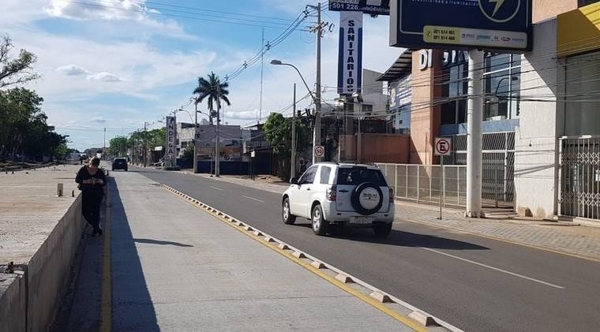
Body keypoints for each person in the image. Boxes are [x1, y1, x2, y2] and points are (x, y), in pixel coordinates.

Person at [75, 157, 106, 236]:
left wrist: (99, 181)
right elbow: (77, 180)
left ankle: (95, 230)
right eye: (92, 165)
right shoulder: (83, 170)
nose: (93, 167)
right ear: (89, 163)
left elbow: (104, 182)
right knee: (85, 212)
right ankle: (96, 227)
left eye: (95, 166)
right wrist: (87, 181)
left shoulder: (99, 172)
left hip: (97, 194)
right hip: (86, 193)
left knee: (96, 212)